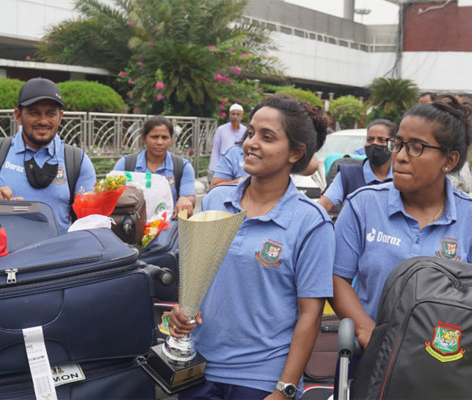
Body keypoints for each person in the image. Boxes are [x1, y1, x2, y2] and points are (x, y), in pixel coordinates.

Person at [168, 95, 334, 400]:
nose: (251, 143)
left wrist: (284, 389)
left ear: (296, 153)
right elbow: (194, 273)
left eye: (267, 137)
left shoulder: (311, 222)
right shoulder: (218, 199)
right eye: (251, 133)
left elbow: (310, 314)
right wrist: (183, 310)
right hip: (198, 370)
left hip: (261, 380)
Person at [330, 95, 472, 376]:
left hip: (447, 369)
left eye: (416, 148)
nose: (399, 156)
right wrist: (369, 333)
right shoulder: (363, 205)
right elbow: (336, 277)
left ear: (449, 160)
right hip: (370, 362)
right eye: (399, 144)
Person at [0, 78, 96, 233]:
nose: (43, 121)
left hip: (59, 254)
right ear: (18, 116)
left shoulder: (78, 161)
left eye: (51, 113)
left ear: (60, 117)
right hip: (2, 254)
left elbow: (90, 224)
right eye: (34, 113)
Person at [113, 115, 196, 218]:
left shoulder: (182, 167)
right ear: (144, 139)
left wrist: (186, 200)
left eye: (165, 137)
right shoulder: (126, 163)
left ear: (170, 140)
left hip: (169, 227)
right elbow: (111, 194)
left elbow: (190, 197)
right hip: (132, 227)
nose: (160, 142)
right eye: (154, 137)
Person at [318, 119, 396, 213]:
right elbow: (324, 205)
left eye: (381, 140)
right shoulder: (347, 175)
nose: (374, 144)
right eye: (370, 140)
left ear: (393, 144)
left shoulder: (401, 177)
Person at [208, 103, 247, 182]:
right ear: (229, 115)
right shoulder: (221, 129)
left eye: (238, 114)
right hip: (224, 168)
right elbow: (216, 149)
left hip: (240, 169)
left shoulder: (245, 131)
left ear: (241, 117)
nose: (235, 116)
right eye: (233, 114)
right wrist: (213, 168)